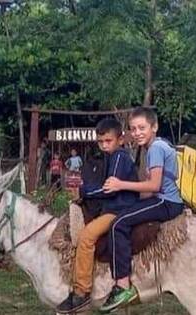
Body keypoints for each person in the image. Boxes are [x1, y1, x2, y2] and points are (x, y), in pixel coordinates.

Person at [99, 107, 184, 313]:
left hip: (165, 202)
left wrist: (121, 185)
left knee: (118, 223)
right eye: (133, 128)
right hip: (165, 198)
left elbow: (154, 186)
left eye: (142, 128)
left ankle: (123, 285)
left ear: (154, 127)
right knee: (128, 212)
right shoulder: (160, 145)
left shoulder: (155, 149)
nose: (137, 133)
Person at [56, 119, 139, 314]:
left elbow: (109, 189)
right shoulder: (111, 157)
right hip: (113, 206)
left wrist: (83, 192)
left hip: (119, 209)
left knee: (86, 236)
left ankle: (81, 291)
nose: (104, 145)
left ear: (120, 139)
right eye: (100, 141)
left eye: (108, 141)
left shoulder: (119, 157)